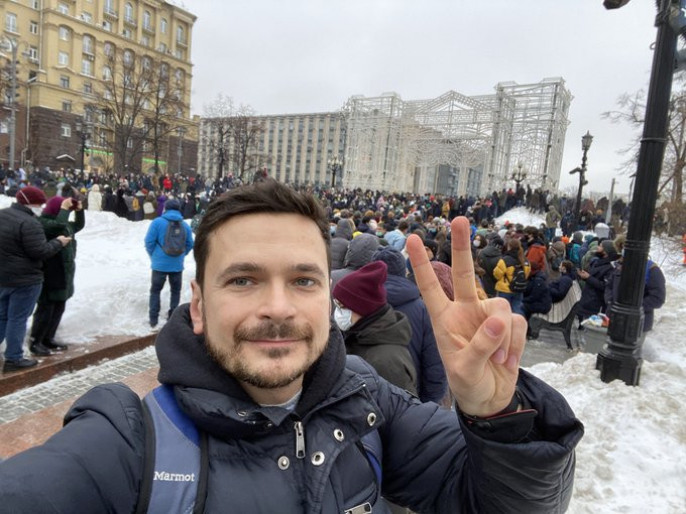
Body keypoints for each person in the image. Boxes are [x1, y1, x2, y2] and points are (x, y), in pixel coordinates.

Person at [0, 180, 583, 512]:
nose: (278, 307)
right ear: (198, 305)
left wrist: (498, 418)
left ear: (328, 297)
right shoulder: (129, 443)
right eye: (243, 280)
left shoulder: (369, 402)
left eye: (303, 280)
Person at [0, 187, 72, 372]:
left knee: (2, 316)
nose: (41, 207)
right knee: (17, 318)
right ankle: (13, 358)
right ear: (30, 203)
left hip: (3, 277)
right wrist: (58, 242)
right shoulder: (30, 222)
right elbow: (40, 251)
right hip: (25, 280)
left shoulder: (3, 215)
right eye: (39, 204)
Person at [372, 246, 447, 403]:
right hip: (410, 397)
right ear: (404, 271)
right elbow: (434, 362)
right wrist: (430, 402)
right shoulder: (422, 309)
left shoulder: (358, 304)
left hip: (367, 395)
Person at [332, 260, 417, 395]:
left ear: (360, 307)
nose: (338, 312)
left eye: (342, 306)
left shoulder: (386, 360)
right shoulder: (358, 336)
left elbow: (399, 405)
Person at [28, 196, 85, 355]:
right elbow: (58, 227)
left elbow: (78, 225)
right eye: (63, 207)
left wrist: (79, 211)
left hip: (64, 272)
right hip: (50, 271)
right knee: (46, 308)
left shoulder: (63, 222)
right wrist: (64, 209)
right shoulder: (43, 222)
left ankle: (48, 338)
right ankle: (36, 341)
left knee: (59, 306)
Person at [143, 198, 194, 328]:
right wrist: (181, 255)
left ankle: (153, 319)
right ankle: (172, 317)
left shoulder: (157, 222)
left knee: (155, 291)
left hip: (159, 265)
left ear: (166, 208)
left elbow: (149, 242)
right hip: (177, 265)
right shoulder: (185, 225)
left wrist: (154, 255)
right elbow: (190, 243)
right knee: (175, 291)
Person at [577, 239, 617, 325]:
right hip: (588, 299)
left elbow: (605, 286)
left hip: (596, 303)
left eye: (600, 246)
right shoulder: (597, 261)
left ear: (606, 251)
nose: (597, 247)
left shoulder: (610, 267)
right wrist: (585, 276)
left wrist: (588, 277)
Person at [493, 237, 530, 316]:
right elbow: (526, 274)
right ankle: (518, 322)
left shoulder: (505, 260)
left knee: (503, 311)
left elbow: (497, 274)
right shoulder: (525, 260)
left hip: (505, 289)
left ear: (509, 247)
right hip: (519, 288)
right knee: (517, 309)